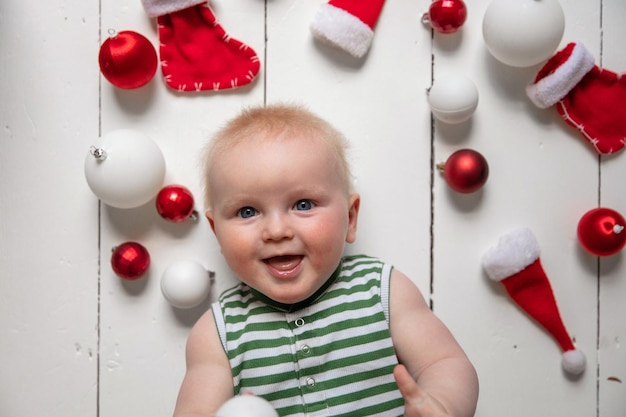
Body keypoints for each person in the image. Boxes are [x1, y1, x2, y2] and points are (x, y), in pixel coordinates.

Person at [172, 104, 479, 417]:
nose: (276, 231)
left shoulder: (382, 291)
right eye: (247, 211)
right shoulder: (217, 333)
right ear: (216, 231)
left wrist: (442, 406)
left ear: (350, 217)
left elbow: (444, 363)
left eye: (303, 204)